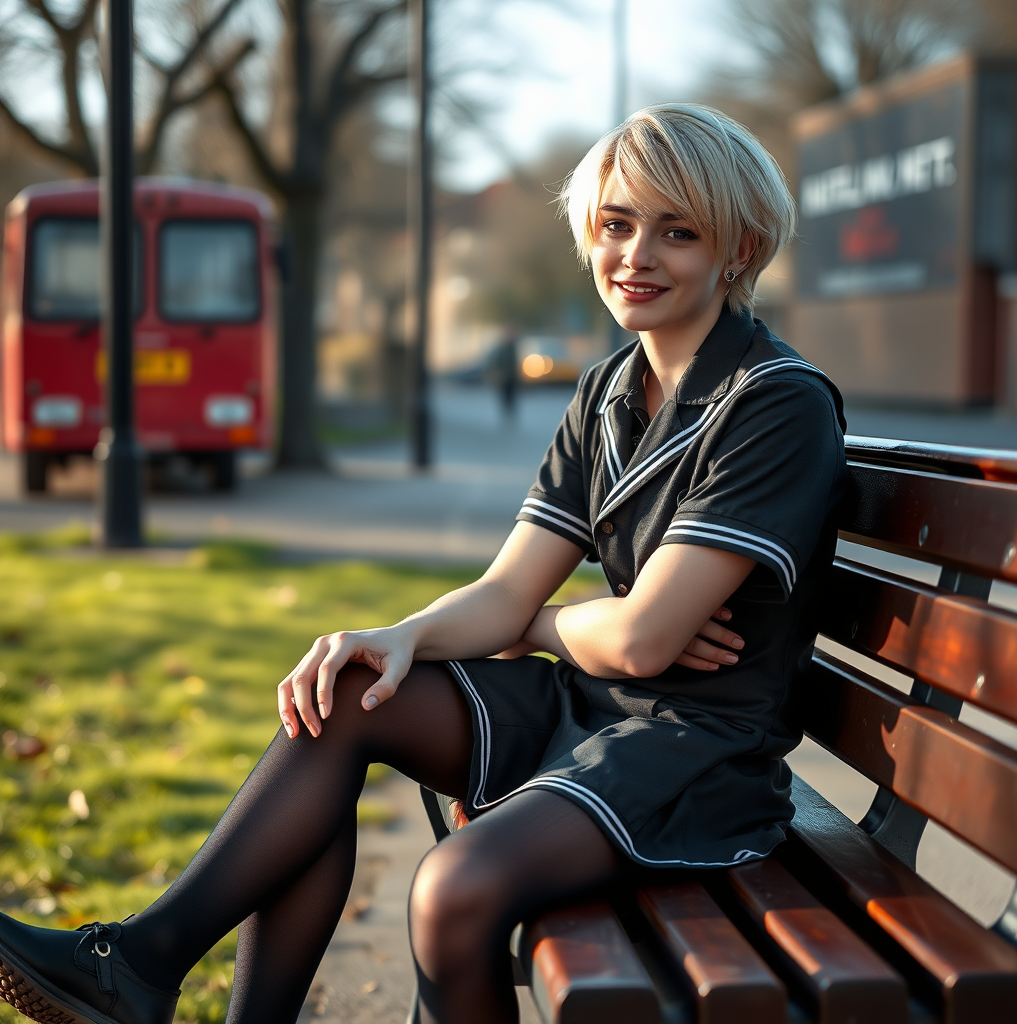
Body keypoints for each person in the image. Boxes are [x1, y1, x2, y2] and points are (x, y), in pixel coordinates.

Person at [0, 103, 846, 1024]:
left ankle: (135, 970)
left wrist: (544, 623)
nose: (636, 255)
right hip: (593, 708)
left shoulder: (775, 404)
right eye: (616, 224)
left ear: (742, 247)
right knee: (345, 696)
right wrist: (397, 636)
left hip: (699, 758)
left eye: (676, 231)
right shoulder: (607, 388)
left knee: (451, 888)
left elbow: (642, 642)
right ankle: (139, 963)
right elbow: (506, 590)